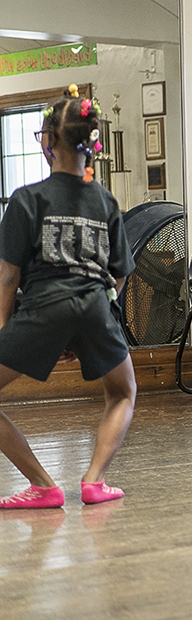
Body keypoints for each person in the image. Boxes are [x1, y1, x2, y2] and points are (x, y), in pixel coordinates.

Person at [0, 85, 136, 509]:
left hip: (43, 308)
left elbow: (7, 276)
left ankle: (43, 484)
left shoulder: (27, 199)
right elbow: (119, 277)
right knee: (124, 393)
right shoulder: (107, 201)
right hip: (96, 307)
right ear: (91, 143)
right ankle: (94, 481)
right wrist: (87, 330)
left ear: (50, 141)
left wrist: (5, 327)